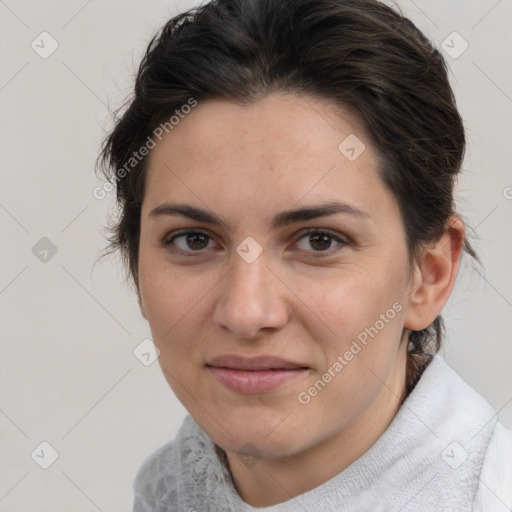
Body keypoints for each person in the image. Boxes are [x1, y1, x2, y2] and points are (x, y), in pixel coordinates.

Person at [98, 0, 512, 510]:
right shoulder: (168, 488)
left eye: (319, 240)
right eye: (194, 240)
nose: (246, 313)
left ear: (428, 275)